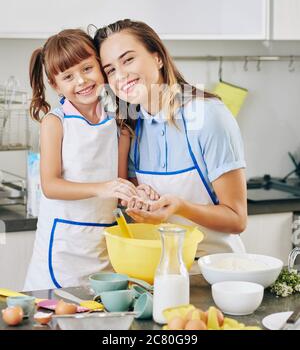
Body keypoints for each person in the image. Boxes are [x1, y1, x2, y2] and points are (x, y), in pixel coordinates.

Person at [94, 19, 248, 256]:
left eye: (128, 60)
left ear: (157, 57)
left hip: (215, 271)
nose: (120, 75)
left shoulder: (208, 115)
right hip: (157, 270)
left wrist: (180, 207)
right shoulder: (131, 127)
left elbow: (237, 219)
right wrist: (140, 200)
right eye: (110, 70)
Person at [24, 29, 136, 291]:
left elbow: (118, 188)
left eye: (87, 68)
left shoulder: (118, 124)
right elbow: (51, 186)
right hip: (62, 248)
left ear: (100, 67)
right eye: (68, 76)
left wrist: (134, 194)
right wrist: (102, 188)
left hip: (103, 245)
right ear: (55, 84)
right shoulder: (55, 122)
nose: (82, 80)